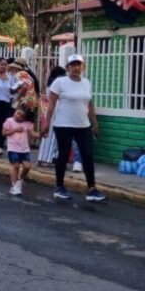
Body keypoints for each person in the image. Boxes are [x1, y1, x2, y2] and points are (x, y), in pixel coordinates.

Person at [44, 54, 106, 202]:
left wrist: (95, 124)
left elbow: (89, 104)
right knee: (64, 155)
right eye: (73, 65)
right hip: (63, 125)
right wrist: (46, 124)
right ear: (68, 67)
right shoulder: (60, 82)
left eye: (79, 65)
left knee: (88, 155)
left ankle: (91, 189)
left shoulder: (86, 83)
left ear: (83, 67)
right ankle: (60, 187)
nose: (76, 67)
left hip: (83, 125)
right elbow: (51, 105)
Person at [36, 66, 67, 167]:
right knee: (51, 136)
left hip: (51, 111)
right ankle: (46, 159)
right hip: (56, 111)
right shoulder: (58, 83)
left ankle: (46, 158)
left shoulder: (51, 83)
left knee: (50, 136)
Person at [3, 107, 36, 196]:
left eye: (22, 116)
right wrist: (15, 130)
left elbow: (33, 134)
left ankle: (19, 179)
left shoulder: (27, 123)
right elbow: (4, 133)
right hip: (13, 148)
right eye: (18, 113)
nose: (19, 116)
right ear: (15, 111)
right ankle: (13, 186)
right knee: (16, 166)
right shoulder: (9, 121)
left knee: (27, 167)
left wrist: (41, 134)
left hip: (24, 149)